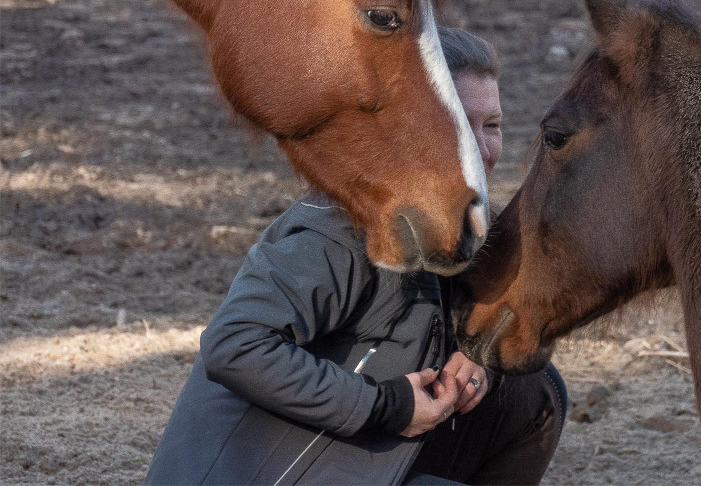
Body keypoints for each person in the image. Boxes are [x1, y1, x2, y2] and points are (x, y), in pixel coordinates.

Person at [145, 27, 566, 485]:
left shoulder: (452, 221)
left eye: (494, 126)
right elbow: (234, 345)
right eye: (462, 125)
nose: (483, 151)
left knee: (532, 391)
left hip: (345, 461)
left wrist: (477, 355)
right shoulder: (336, 231)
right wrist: (386, 405)